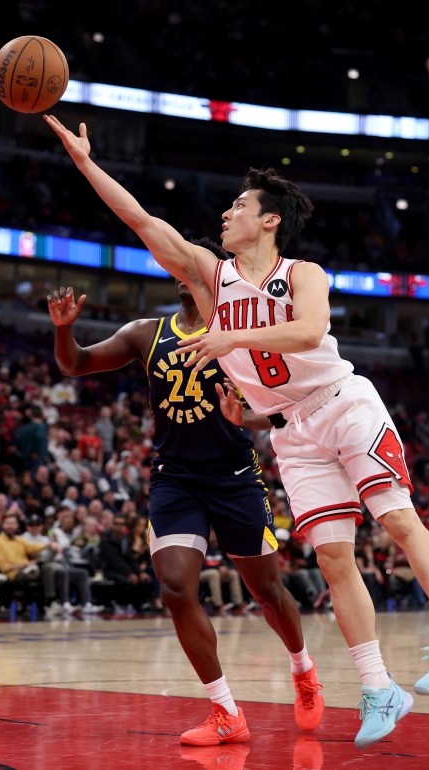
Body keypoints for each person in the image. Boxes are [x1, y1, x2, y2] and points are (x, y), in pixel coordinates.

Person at [43, 113, 429, 749]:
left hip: (343, 402)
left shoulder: (302, 273)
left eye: (238, 205)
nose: (226, 214)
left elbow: (308, 334)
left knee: (394, 518)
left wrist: (233, 336)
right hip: (290, 430)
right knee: (334, 559)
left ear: (270, 220)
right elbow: (142, 220)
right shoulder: (209, 277)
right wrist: (87, 163)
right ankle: (378, 687)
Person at [45, 246, 324, 746]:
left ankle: (303, 669)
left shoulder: (241, 333)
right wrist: (64, 329)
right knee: (175, 588)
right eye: (177, 268)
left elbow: (282, 398)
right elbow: (76, 365)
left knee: (267, 592)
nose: (183, 274)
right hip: (175, 477)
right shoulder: (144, 333)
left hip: (235, 474)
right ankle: (225, 711)